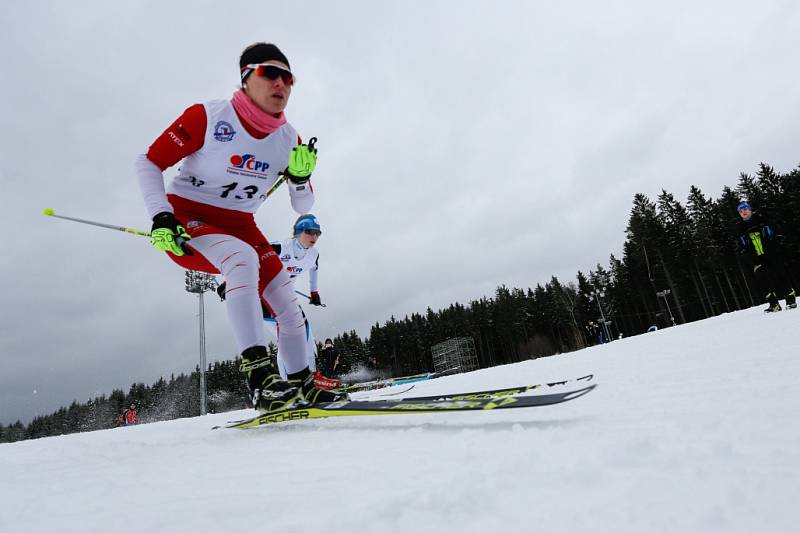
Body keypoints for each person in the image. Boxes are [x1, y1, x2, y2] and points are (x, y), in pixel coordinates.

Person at [134, 42, 343, 412]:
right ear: (246, 78)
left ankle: (301, 383)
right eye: (270, 74)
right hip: (188, 219)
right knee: (242, 258)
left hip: (241, 225)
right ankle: (260, 376)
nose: (281, 84)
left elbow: (304, 204)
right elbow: (149, 161)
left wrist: (299, 175)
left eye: (289, 78)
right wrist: (160, 215)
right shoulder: (210, 117)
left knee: (287, 305)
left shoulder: (287, 139)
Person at [217, 213, 324, 379]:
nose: (314, 236)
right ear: (298, 231)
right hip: (262, 299)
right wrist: (229, 282)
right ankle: (297, 381)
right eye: (310, 231)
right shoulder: (281, 247)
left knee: (302, 336)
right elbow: (249, 257)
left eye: (318, 233)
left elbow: (314, 269)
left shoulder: (313, 254)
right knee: (293, 335)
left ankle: (307, 379)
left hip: (283, 297)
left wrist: (314, 292)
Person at [736, 202, 796, 312]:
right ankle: (774, 305)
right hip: (756, 258)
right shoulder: (741, 228)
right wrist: (746, 255)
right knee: (763, 281)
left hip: (772, 253)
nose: (743, 212)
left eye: (745, 209)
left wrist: (777, 243)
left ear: (750, 209)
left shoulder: (761, 219)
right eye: (740, 211)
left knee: (780, 275)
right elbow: (741, 244)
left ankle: (791, 300)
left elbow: (777, 231)